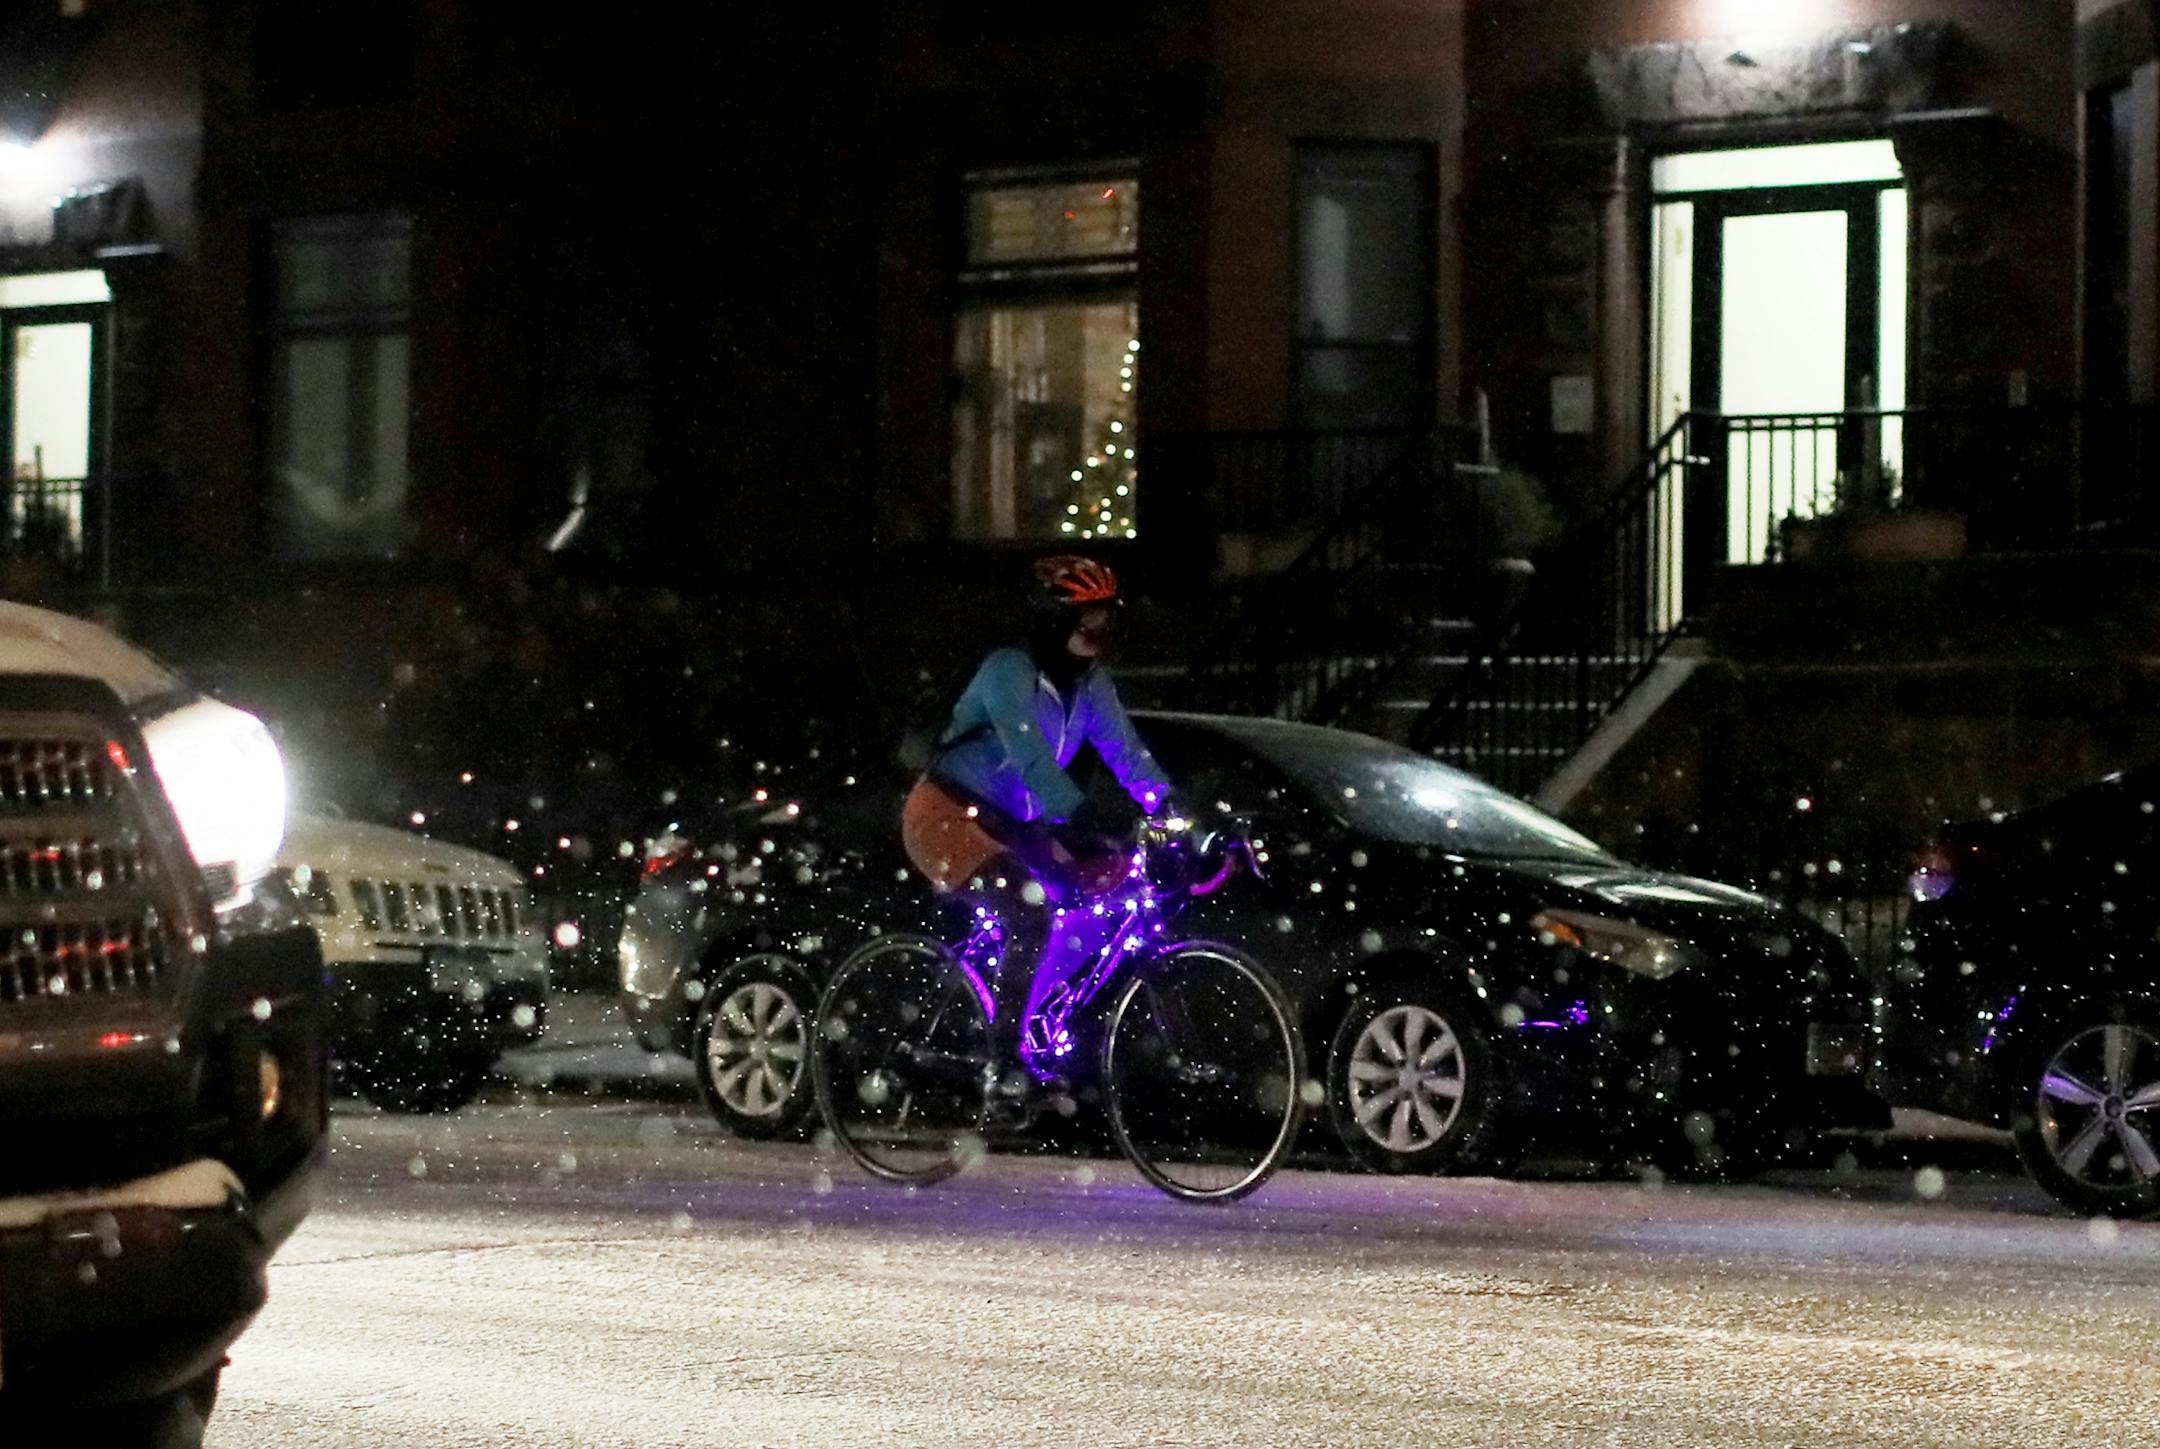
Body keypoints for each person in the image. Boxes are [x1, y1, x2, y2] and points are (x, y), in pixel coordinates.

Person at [901, 554, 1173, 1080]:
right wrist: (1078, 815)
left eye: (1107, 620)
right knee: (1029, 912)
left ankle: (1035, 1017)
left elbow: (1125, 749)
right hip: (947, 813)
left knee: (1096, 891)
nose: (1099, 633)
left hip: (1010, 824)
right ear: (1053, 620)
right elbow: (1030, 757)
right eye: (1087, 620)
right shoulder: (1009, 671)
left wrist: (1166, 803)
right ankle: (1003, 1068)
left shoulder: (1091, 685)